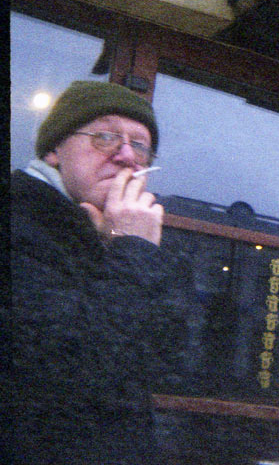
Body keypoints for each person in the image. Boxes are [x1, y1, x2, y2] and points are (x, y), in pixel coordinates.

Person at [8, 81, 195, 464]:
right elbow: (69, 370)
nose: (127, 156)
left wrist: (121, 247)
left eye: (140, 145)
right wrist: (133, 250)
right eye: (105, 137)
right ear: (54, 150)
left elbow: (168, 358)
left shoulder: (118, 233)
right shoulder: (18, 217)